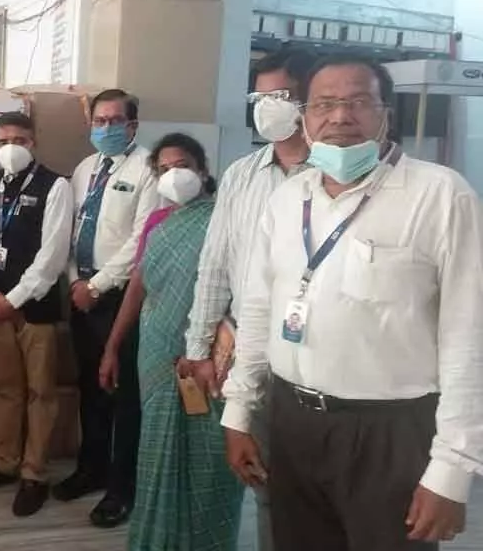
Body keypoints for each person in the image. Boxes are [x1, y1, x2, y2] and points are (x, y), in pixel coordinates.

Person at [223, 53, 483, 550]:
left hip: (391, 435)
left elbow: (469, 338)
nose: (340, 116)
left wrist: (452, 470)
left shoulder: (440, 196)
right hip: (292, 421)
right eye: (324, 103)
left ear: (387, 112)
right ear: (305, 115)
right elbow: (258, 310)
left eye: (358, 102)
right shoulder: (286, 201)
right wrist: (239, 411)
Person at [184, 47, 317, 551]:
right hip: (251, 348)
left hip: (321, 351)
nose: (267, 108)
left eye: (279, 96)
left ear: (311, 99)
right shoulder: (243, 173)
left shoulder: (337, 171)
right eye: (259, 97)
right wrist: (199, 347)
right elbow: (215, 263)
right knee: (263, 478)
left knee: (321, 487)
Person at [99, 133, 243, 550]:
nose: (173, 175)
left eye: (181, 166)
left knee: (209, 455)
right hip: (156, 352)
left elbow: (239, 292)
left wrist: (203, 349)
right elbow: (137, 287)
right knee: (157, 449)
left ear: (202, 170)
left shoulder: (226, 219)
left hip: (209, 356)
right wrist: (112, 346)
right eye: (163, 170)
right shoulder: (157, 223)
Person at [56, 89, 168, 528]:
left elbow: (141, 242)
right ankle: (92, 468)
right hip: (81, 291)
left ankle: (122, 489)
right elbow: (68, 232)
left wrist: (98, 285)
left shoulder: (149, 170)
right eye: (99, 121)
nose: (105, 128)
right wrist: (75, 283)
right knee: (89, 387)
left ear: (133, 126)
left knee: (123, 395)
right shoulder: (84, 169)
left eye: (114, 121)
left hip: (121, 296)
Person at [0, 111, 73, 517]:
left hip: (34, 309)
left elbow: (53, 255)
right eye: (3, 141)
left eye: (19, 141)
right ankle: (3, 462)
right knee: (6, 390)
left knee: (41, 393)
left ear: (34, 142)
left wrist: (16, 298)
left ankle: (34, 473)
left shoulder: (55, 186)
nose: (11, 149)